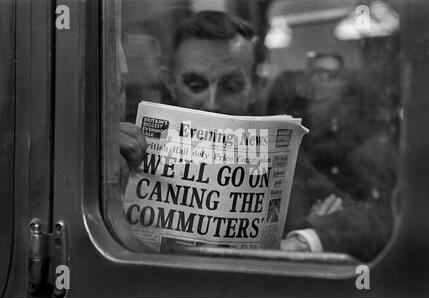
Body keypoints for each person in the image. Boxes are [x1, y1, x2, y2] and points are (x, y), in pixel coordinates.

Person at [121, 11, 393, 262]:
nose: (212, 103)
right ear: (170, 83)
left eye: (231, 86)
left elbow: (371, 220)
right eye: (195, 85)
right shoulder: (132, 147)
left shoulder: (278, 159)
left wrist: (301, 242)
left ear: (255, 88)